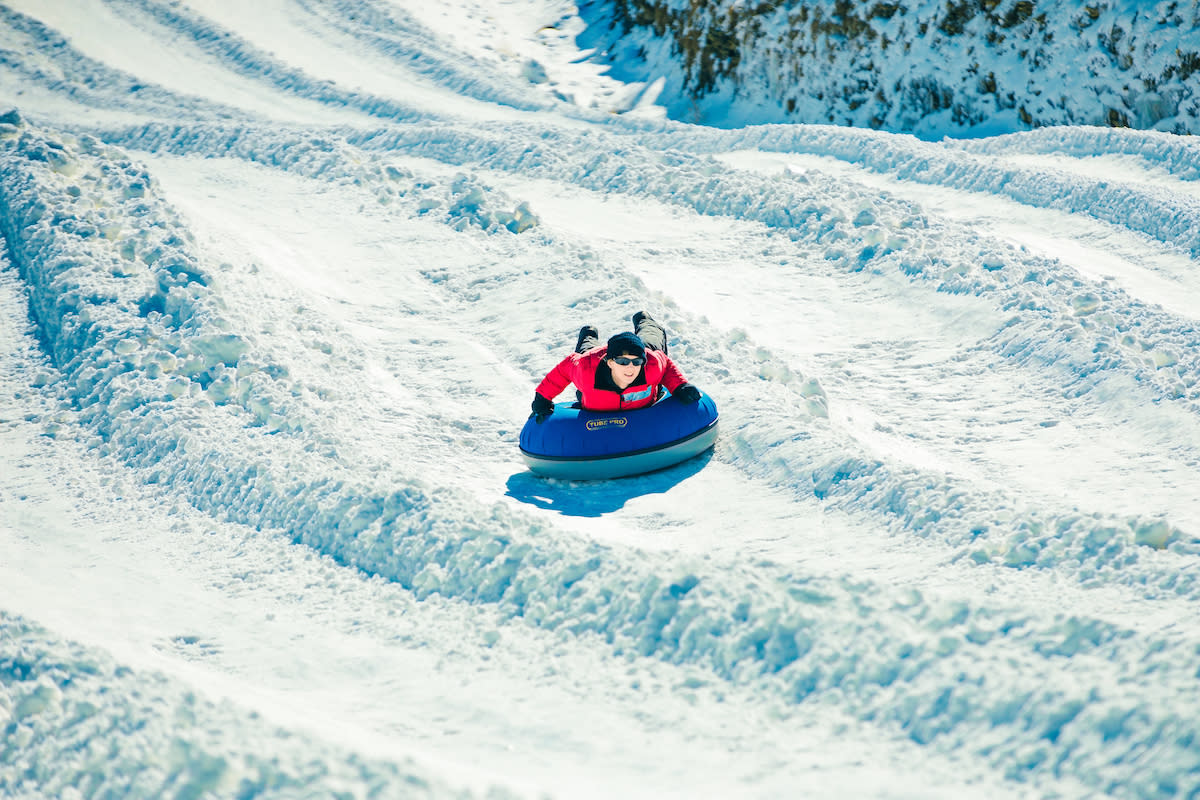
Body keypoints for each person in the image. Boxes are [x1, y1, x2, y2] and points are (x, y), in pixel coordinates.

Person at [530, 311, 703, 423]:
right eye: (623, 362)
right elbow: (563, 370)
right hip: (594, 374)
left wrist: (680, 386)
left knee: (651, 337)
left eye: (636, 362)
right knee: (587, 349)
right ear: (611, 362)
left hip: (643, 356)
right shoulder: (586, 369)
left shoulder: (650, 364)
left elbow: (665, 365)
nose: (630, 368)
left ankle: (644, 319)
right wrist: (543, 398)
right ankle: (588, 333)